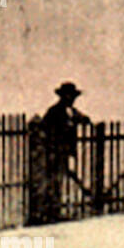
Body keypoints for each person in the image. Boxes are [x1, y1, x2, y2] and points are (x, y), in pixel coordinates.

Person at [39, 81, 92, 221]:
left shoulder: (72, 111)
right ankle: (52, 210)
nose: (72, 99)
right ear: (63, 96)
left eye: (74, 96)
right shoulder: (54, 111)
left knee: (62, 179)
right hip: (54, 151)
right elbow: (44, 127)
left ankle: (58, 207)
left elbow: (84, 119)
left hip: (65, 151)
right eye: (69, 96)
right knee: (54, 181)